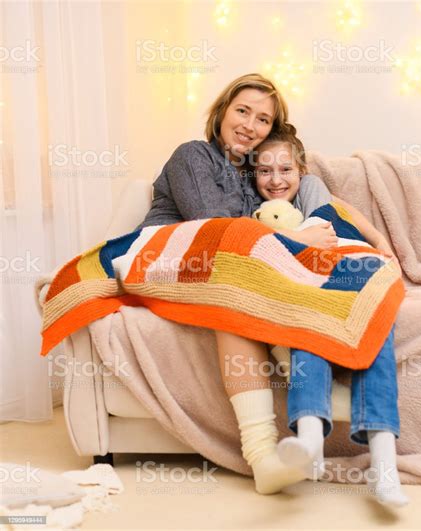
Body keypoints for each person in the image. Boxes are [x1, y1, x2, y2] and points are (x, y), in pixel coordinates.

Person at [135, 73, 331, 495]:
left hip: (216, 272)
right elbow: (218, 230)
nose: (250, 124)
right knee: (236, 274)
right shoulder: (192, 156)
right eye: (242, 110)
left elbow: (255, 238)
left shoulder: (255, 180)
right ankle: (269, 446)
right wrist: (296, 240)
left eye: (262, 119)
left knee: (247, 286)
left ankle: (271, 452)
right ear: (222, 111)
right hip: (161, 260)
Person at [251, 128, 409, 507]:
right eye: (264, 172)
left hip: (356, 262)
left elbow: (346, 214)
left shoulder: (314, 193)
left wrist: (385, 247)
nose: (276, 181)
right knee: (307, 322)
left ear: (301, 171)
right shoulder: (257, 217)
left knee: (373, 331)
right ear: (252, 176)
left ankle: (385, 466)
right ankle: (308, 442)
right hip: (312, 276)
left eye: (285, 169)